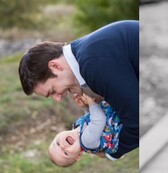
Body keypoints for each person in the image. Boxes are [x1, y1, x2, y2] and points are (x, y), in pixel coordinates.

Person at [18, 20, 139, 160]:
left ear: (55, 66)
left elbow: (136, 121)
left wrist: (111, 153)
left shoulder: (92, 65)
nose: (57, 98)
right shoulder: (86, 53)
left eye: (52, 91)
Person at [47, 94, 122, 166]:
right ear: (79, 156)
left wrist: (86, 108)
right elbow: (99, 120)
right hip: (118, 114)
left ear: (59, 134)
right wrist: (91, 103)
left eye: (57, 143)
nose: (63, 146)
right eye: (65, 153)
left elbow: (91, 122)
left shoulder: (76, 127)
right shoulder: (87, 142)